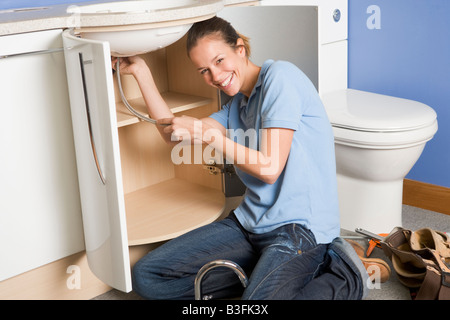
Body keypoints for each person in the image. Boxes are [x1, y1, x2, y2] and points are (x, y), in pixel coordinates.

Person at [113, 16, 369, 300]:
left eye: (219, 60)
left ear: (240, 49)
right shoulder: (238, 105)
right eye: (204, 71)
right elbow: (173, 134)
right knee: (147, 275)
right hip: (250, 222)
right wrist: (142, 73)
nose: (215, 76)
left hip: (299, 230)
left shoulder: (281, 78)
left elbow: (270, 168)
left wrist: (209, 136)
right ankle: (265, 279)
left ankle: (346, 273)